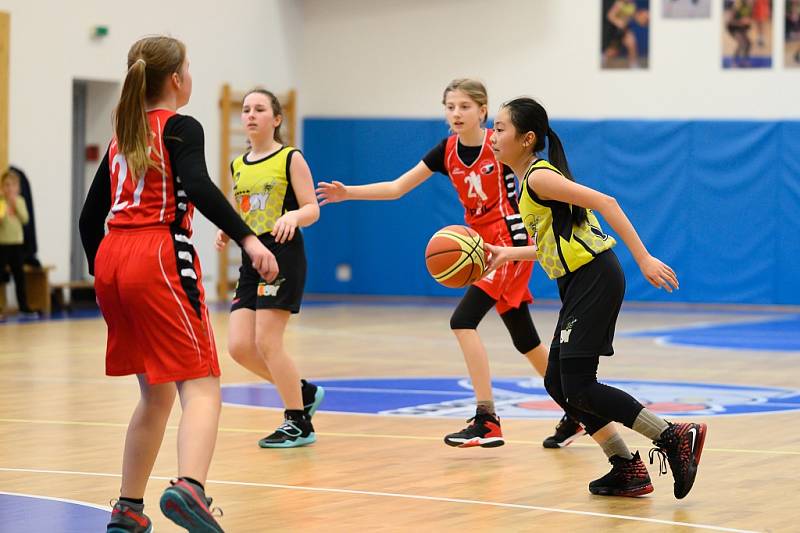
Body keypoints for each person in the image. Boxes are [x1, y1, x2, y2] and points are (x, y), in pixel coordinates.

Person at [316, 79, 584, 449]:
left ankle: (487, 419)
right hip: (480, 243)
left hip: (506, 243)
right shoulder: (447, 150)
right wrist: (349, 193)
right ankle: (576, 411)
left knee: (462, 320)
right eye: (450, 106)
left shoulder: (499, 144)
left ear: (483, 112)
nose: (456, 114)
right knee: (524, 337)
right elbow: (397, 187)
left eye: (464, 107)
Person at [79, 36, 278, 532]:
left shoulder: (122, 135)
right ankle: (191, 488)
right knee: (203, 384)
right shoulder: (180, 127)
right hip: (157, 254)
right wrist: (249, 240)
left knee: (156, 395)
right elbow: (199, 185)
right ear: (176, 79)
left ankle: (128, 509)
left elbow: (89, 218)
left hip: (112, 259)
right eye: (188, 68)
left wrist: (108, 275)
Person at [486, 96, 707, 499]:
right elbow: (553, 245)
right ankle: (626, 467)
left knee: (580, 387)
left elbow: (607, 202)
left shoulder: (538, 177)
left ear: (526, 138)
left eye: (500, 128)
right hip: (578, 282)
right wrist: (508, 253)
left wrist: (643, 258)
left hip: (595, 278)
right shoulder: (529, 182)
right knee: (558, 382)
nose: (493, 135)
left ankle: (673, 435)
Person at [215, 88, 324, 448]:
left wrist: (294, 215)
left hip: (282, 253)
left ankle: (298, 422)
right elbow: (239, 206)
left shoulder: (290, 157)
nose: (250, 115)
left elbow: (312, 208)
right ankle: (302, 391)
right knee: (240, 347)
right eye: (246, 109)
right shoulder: (238, 164)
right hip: (251, 257)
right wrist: (226, 227)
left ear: (276, 119)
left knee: (267, 340)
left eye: (259, 109)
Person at [0, 168, 34, 319]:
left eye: (13, 185)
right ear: (2, 188)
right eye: (6, 185)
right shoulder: (1, 202)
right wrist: (5, 205)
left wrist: (15, 204)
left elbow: (25, 219)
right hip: (3, 244)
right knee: (1, 277)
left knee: (19, 277)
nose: (9, 188)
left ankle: (24, 307)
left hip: (17, 245)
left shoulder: (20, 201)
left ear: (18, 188)